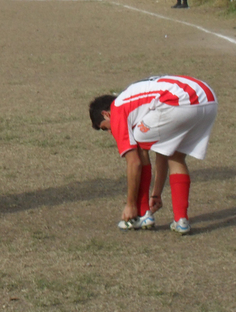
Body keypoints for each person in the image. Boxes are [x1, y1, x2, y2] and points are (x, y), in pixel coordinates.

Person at [89, 75, 217, 235]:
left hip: (179, 102)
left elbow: (134, 162)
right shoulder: (140, 103)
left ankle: (142, 214)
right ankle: (181, 220)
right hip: (208, 99)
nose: (110, 132)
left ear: (106, 114)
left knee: (138, 142)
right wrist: (156, 193)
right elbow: (163, 151)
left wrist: (130, 205)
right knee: (175, 156)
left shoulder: (117, 108)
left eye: (105, 127)